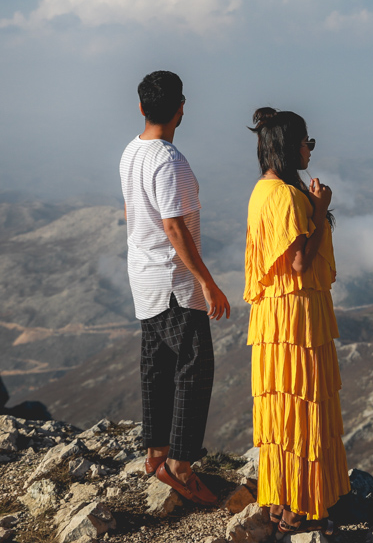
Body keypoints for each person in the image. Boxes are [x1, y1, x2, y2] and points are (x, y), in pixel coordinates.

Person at [119, 70, 230, 505]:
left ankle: (155, 453)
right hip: (173, 282)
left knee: (156, 366)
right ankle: (180, 467)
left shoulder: (131, 151)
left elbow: (133, 212)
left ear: (141, 107)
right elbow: (173, 226)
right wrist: (207, 282)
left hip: (143, 276)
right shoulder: (169, 160)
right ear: (182, 107)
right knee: (194, 369)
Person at [244, 107, 349, 534]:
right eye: (307, 141)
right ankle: (300, 507)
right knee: (304, 405)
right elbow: (301, 261)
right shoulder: (287, 198)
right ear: (289, 147)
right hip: (297, 318)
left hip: (274, 318)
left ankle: (282, 499)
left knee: (282, 408)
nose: (310, 148)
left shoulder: (261, 192)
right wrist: (321, 209)